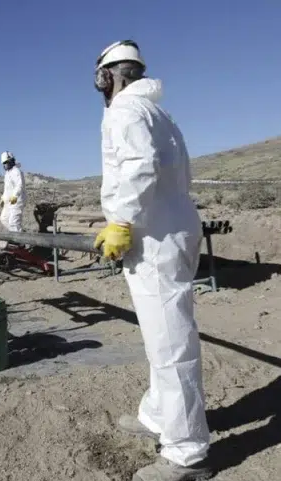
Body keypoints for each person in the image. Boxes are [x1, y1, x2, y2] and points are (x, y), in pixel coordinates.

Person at [92, 40, 213, 481]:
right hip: (172, 225)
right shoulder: (160, 114)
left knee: (171, 343)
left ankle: (187, 453)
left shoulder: (125, 111)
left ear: (110, 75)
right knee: (162, 337)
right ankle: (159, 416)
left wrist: (121, 221)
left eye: (100, 77)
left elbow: (139, 167)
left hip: (154, 236)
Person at [0, 151, 26, 232]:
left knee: (13, 222)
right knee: (3, 219)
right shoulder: (7, 174)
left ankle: (20, 241)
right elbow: (6, 189)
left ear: (11, 161)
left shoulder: (16, 171)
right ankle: (17, 235)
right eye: (3, 163)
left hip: (17, 201)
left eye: (6, 162)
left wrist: (15, 195)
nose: (4, 165)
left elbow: (19, 185)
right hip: (9, 201)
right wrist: (3, 198)